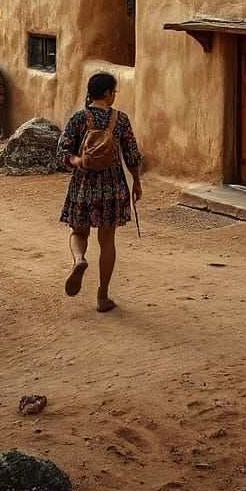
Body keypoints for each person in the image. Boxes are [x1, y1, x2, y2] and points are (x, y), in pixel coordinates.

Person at [57, 71, 142, 313]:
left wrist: (78, 161)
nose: (114, 95)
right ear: (106, 93)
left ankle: (79, 259)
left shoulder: (78, 118)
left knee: (79, 231)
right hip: (112, 186)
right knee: (107, 241)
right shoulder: (121, 120)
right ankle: (103, 296)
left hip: (84, 183)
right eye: (114, 91)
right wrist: (136, 181)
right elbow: (132, 155)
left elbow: (62, 151)